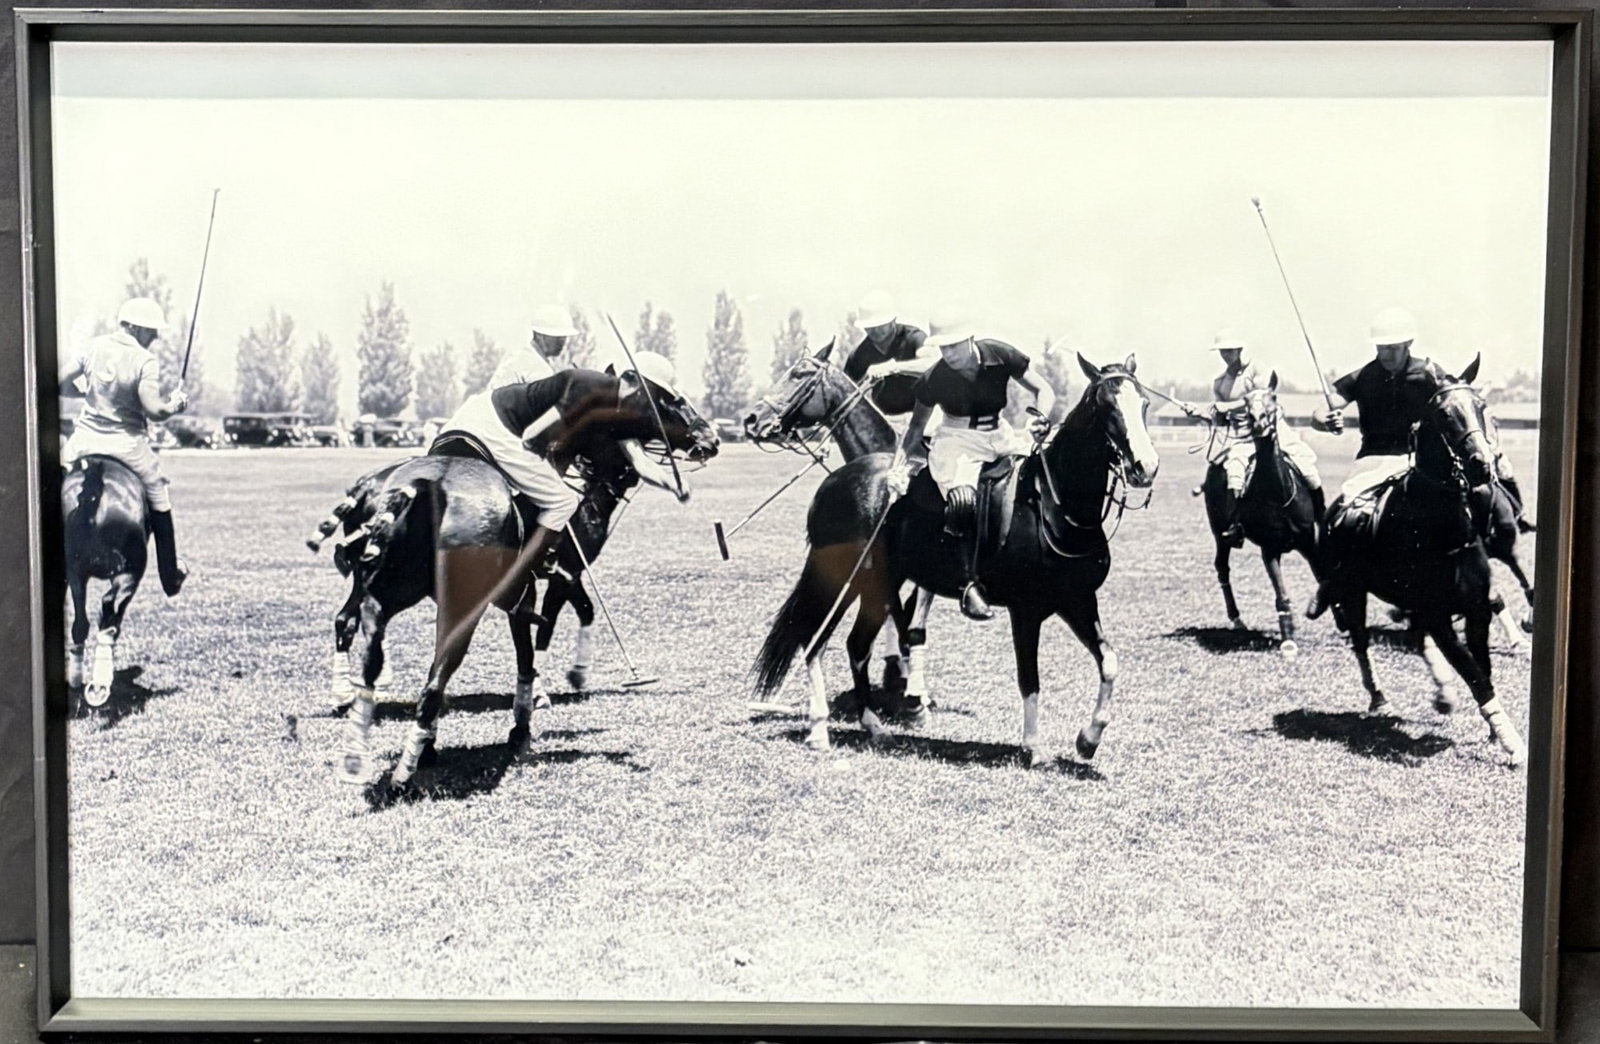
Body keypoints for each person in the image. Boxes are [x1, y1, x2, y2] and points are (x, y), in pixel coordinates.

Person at [483, 352, 691, 616]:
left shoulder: (621, 413)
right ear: (639, 384)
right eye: (655, 393)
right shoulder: (588, 391)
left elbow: (640, 461)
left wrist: (673, 483)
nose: (654, 403)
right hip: (510, 432)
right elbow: (532, 436)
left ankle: (536, 562)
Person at [886, 315, 1054, 621]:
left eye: (953, 346)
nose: (948, 354)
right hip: (956, 440)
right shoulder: (935, 377)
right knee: (962, 498)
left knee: (1043, 474)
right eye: (942, 348)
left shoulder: (1000, 354)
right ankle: (967, 583)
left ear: (970, 339)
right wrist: (899, 467)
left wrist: (1040, 417)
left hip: (1000, 434)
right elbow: (916, 429)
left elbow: (1044, 389)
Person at [59, 297, 191, 596]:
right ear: (134, 327)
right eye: (151, 330)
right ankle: (170, 576)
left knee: (48, 486)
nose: (155, 337)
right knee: (159, 494)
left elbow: (57, 383)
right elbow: (153, 410)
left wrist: (87, 393)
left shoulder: (93, 347)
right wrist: (175, 405)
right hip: (127, 445)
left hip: (83, 441)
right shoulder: (145, 361)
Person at [1185, 328, 1323, 546]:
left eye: (1229, 351)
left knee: (1308, 468)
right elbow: (1222, 420)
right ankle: (1235, 526)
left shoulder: (1259, 370)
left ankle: (1322, 519)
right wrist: (1201, 413)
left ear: (1240, 350)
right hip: (1243, 436)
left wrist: (1225, 405)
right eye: (1222, 351)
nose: (1226, 355)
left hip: (1274, 431)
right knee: (1235, 472)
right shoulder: (1219, 383)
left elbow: (1257, 398)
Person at [843, 290, 936, 415]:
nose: (875, 330)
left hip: (921, 416)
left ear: (893, 320)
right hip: (883, 421)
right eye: (869, 326)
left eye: (880, 325)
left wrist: (893, 367)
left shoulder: (914, 337)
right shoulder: (859, 355)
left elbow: (932, 365)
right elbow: (846, 393)